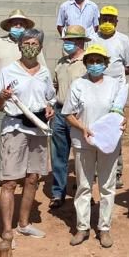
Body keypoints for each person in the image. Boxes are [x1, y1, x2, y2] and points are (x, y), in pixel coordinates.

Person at [0, 28, 55, 242]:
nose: (30, 46)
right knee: (9, 181)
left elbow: (49, 99)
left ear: (41, 47)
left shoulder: (45, 73)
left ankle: (24, 224)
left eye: (35, 43)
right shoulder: (8, 71)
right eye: (26, 43)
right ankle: (7, 230)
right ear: (19, 46)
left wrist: (49, 108)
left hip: (37, 128)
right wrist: (2, 96)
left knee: (33, 178)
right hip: (15, 129)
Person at [62, 44, 128, 249]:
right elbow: (68, 114)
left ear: (106, 63)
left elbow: (119, 111)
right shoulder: (78, 84)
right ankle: (82, 227)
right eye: (91, 61)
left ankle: (104, 227)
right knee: (83, 185)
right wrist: (82, 127)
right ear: (86, 63)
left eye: (99, 61)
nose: (95, 64)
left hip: (108, 142)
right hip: (83, 141)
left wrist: (123, 121)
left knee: (107, 185)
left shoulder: (115, 84)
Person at [0, 9, 46, 193]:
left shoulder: (32, 46)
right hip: (1, 98)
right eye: (15, 23)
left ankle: (24, 174)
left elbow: (43, 73)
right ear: (8, 26)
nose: (18, 26)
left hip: (26, 102)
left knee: (26, 137)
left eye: (21, 24)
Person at [91, 5, 129, 188]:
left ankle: (116, 172)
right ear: (99, 20)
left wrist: (110, 78)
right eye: (104, 19)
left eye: (111, 19)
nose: (107, 22)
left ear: (116, 22)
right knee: (93, 129)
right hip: (93, 92)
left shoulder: (123, 40)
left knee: (114, 131)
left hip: (116, 96)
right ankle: (93, 170)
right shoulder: (92, 38)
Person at [49, 25, 90, 210]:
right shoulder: (61, 62)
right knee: (59, 154)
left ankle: (84, 192)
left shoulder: (88, 63)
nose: (66, 44)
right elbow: (55, 86)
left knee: (82, 155)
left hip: (78, 115)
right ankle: (58, 192)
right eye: (65, 41)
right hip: (59, 112)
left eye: (70, 41)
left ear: (80, 42)